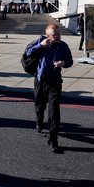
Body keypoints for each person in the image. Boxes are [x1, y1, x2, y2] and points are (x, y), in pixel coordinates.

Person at [26, 23, 73, 152]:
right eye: (55, 34)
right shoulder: (41, 42)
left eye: (59, 33)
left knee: (54, 111)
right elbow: (28, 53)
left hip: (55, 82)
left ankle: (53, 139)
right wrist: (40, 45)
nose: (58, 36)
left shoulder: (63, 46)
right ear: (48, 36)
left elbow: (70, 61)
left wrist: (63, 63)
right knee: (39, 105)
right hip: (41, 81)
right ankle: (39, 121)